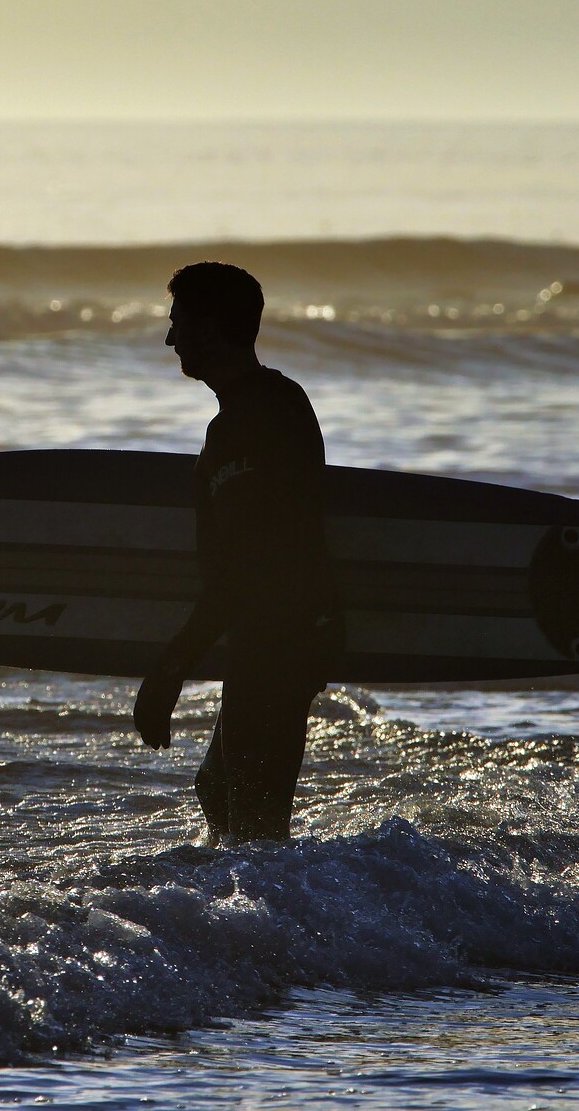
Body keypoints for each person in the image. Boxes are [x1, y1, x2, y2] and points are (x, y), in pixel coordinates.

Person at [132, 261, 342, 844]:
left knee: (255, 827)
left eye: (178, 323)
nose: (170, 338)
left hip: (285, 634)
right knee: (218, 791)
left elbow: (251, 567)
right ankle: (253, 920)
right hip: (272, 633)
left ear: (210, 327)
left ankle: (280, 928)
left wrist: (170, 671)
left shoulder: (272, 412)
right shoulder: (236, 423)